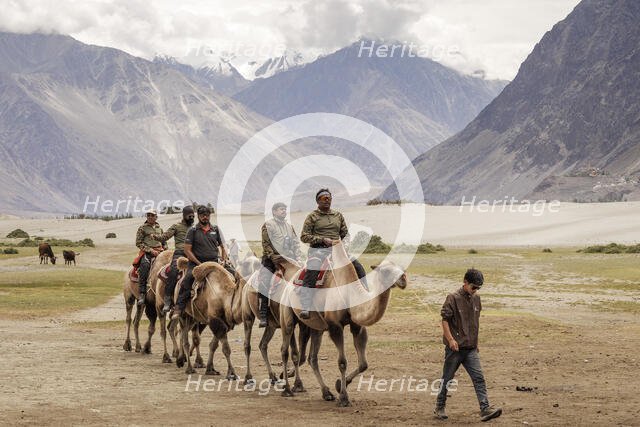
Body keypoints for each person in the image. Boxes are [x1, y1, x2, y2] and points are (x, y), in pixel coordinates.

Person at [434, 268, 502, 422]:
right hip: (455, 349)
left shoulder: (477, 299)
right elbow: (444, 320)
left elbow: (475, 323)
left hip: (471, 349)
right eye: (473, 287)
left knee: (479, 378)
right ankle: (439, 407)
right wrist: (450, 339)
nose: (475, 290)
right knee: (447, 379)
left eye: (478, 288)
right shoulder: (452, 298)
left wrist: (476, 343)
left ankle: (485, 409)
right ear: (465, 282)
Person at [299, 188, 367, 319]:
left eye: (329, 198)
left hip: (337, 250)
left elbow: (346, 235)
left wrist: (344, 246)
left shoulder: (338, 215)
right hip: (318, 250)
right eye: (324, 199)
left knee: (358, 267)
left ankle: (363, 296)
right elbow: (304, 236)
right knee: (312, 270)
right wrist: (322, 240)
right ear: (318, 201)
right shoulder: (312, 216)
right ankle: (306, 306)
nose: (327, 201)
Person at [171, 205, 227, 319]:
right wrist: (198, 263)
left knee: (232, 275)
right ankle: (178, 308)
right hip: (197, 264)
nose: (205, 217)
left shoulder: (216, 229)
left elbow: (223, 246)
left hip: (214, 263)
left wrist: (224, 260)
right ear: (199, 216)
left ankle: (234, 305)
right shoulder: (193, 231)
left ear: (210, 216)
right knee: (187, 280)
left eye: (207, 215)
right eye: (202, 215)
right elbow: (187, 250)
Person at [258, 202, 302, 327]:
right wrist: (274, 258)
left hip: (290, 260)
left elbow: (296, 243)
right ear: (274, 211)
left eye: (285, 209)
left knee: (304, 277)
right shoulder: (268, 225)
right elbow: (266, 245)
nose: (284, 211)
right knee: (265, 280)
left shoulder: (289, 226)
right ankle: (263, 314)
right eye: (281, 209)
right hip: (272, 259)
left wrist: (298, 258)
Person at [152, 206, 195, 313]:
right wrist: (156, 237)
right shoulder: (176, 226)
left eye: (193, 216)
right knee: (173, 271)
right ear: (184, 215)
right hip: (179, 254)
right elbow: (164, 237)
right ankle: (167, 299)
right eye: (190, 216)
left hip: (193, 254)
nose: (192, 217)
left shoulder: (195, 228)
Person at [135, 209, 167, 306]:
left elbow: (164, 241)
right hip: (148, 252)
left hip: (160, 251)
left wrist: (165, 249)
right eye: (148, 215)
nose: (150, 217)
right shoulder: (142, 228)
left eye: (152, 215)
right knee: (144, 266)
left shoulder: (159, 228)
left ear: (156, 217)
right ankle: (142, 293)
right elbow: (138, 243)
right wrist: (150, 250)